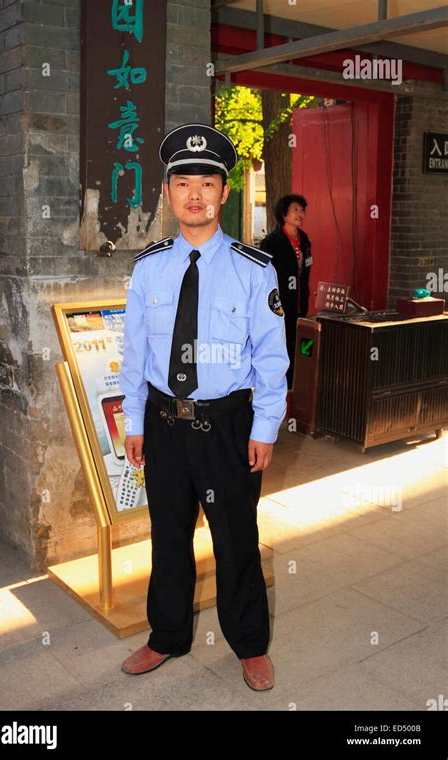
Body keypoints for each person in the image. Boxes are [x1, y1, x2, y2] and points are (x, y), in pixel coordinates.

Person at [118, 123, 289, 691]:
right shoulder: (149, 268)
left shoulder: (253, 268)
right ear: (167, 192)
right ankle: (167, 635)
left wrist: (265, 427)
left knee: (236, 536)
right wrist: (136, 420)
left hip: (227, 425)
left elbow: (271, 357)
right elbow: (136, 354)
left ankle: (249, 644)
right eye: (183, 182)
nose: (195, 194)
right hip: (165, 424)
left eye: (207, 182)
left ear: (224, 191)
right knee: (167, 535)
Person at [260, 194, 313, 399]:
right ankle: (276, 391)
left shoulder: (304, 240)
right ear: (284, 214)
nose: (300, 215)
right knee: (279, 347)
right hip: (279, 307)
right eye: (295, 211)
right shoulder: (272, 243)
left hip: (300, 304)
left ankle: (294, 390)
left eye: (302, 211)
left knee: (297, 346)